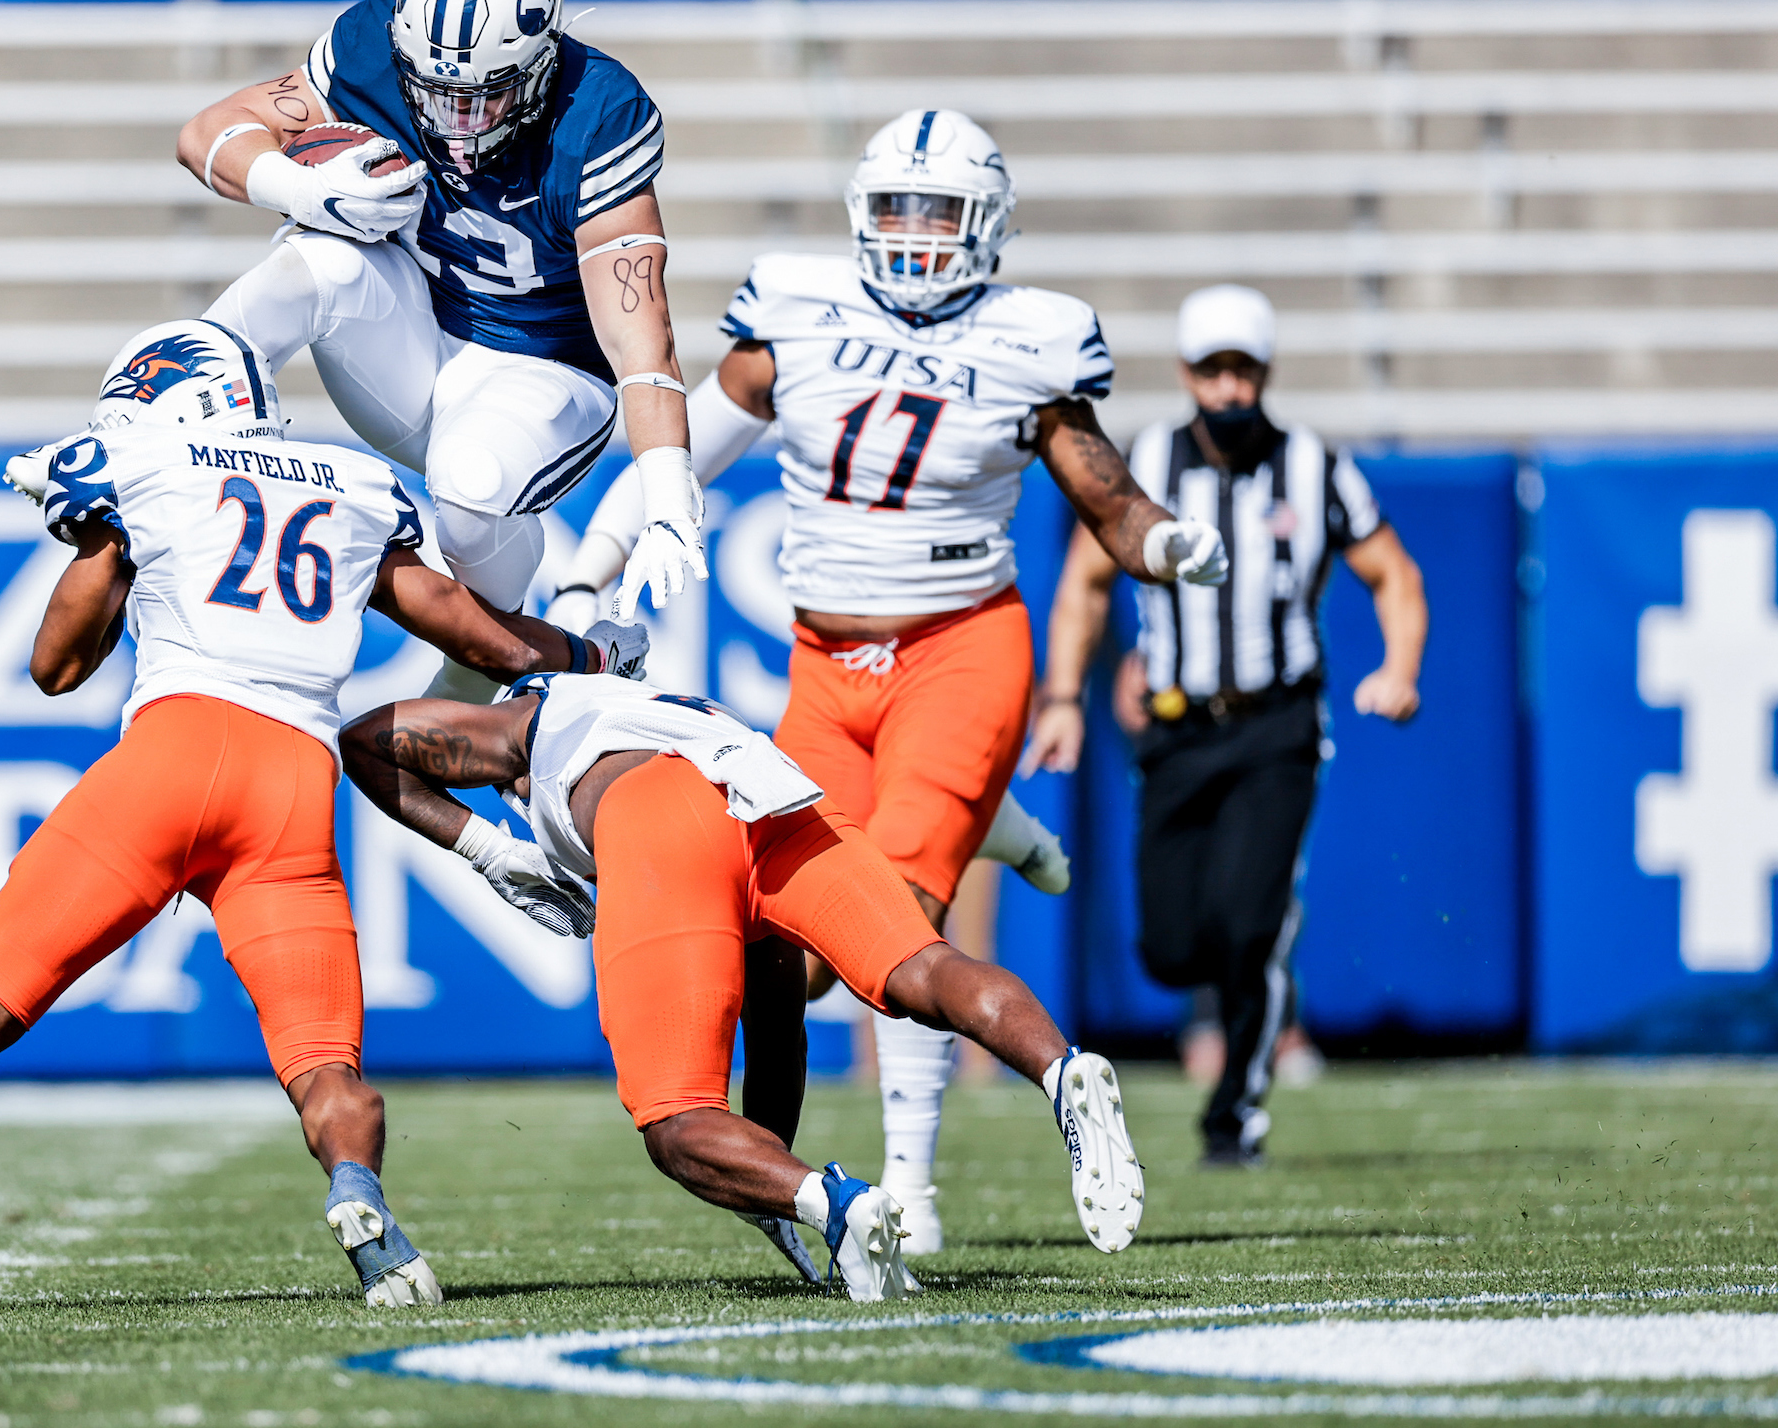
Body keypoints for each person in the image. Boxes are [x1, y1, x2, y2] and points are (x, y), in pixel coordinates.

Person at [0, 321, 647, 1319]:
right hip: (291, 791)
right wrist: (589, 656)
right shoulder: (352, 481)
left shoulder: (144, 463)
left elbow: (55, 668)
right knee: (327, 1066)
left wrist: (100, 539)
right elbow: (471, 627)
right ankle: (368, 1213)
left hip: (171, 761)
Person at [546, 109, 1227, 1254]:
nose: (915, 235)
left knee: (898, 929)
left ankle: (911, 1186)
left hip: (959, 650)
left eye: (939, 213)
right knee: (794, 950)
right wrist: (589, 579)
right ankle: (988, 819)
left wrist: (1167, 543)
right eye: (897, 210)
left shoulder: (1028, 338)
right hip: (826, 666)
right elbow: (677, 452)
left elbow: (1106, 498)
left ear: (987, 225)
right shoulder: (799, 315)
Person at [339, 671, 1147, 1303]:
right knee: (924, 967)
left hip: (657, 814)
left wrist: (486, 847)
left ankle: (842, 1205)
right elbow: (779, 1034)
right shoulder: (663, 706)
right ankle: (1062, 1070)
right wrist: (784, 1197)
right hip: (770, 789)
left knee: (675, 1119)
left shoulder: (538, 716)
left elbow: (367, 739)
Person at [175, 0, 707, 702]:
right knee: (316, 255)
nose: (456, 120)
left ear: (539, 63)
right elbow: (203, 134)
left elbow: (639, 335)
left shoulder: (596, 111)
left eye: (484, 95)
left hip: (545, 372)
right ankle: (165, 427)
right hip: (413, 337)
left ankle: (473, 678)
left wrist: (667, 489)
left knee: (470, 480)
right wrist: (303, 188)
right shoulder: (369, 48)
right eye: (435, 91)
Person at [1024, 283, 1428, 1167]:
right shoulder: (1149, 463)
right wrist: (1061, 697)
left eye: (1243, 369)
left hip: (1276, 722)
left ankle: (1235, 1105)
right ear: (1186, 373)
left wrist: (1398, 669)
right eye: (1214, 369)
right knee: (1170, 950)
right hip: (1174, 730)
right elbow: (1083, 588)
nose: (1230, 388)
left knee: (1250, 927)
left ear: (1265, 373)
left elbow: (1393, 572)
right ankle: (1243, 987)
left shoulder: (1315, 464)